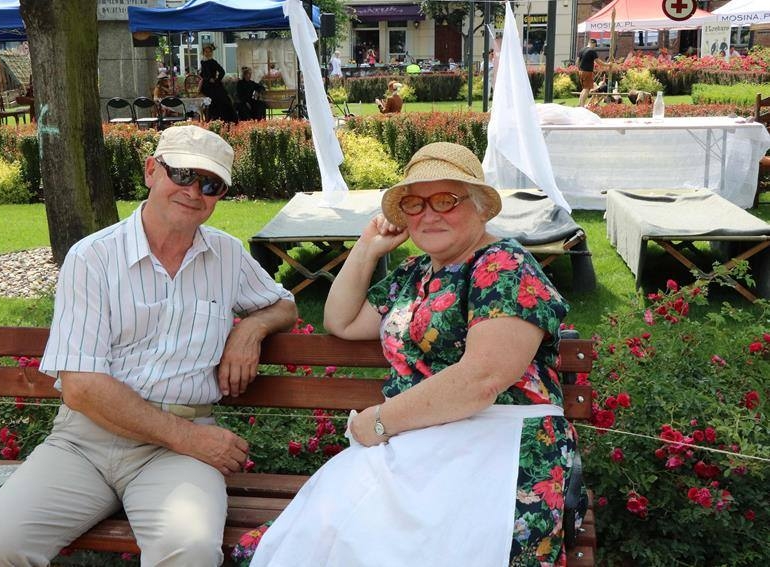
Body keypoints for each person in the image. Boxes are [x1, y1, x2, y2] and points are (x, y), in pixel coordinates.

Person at [0, 126, 298, 567]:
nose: (193, 191)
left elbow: (283, 305)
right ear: (151, 170)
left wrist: (250, 329)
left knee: (189, 549)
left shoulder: (227, 256)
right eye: (182, 174)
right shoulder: (93, 257)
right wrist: (190, 438)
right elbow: (82, 387)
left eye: (210, 184)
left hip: (174, 458)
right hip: (86, 443)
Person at [239, 142, 575, 566]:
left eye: (445, 200)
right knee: (317, 540)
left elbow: (481, 380)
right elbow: (341, 321)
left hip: (495, 444)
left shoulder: (503, 265)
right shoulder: (413, 274)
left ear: (480, 208)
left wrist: (379, 422)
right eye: (414, 204)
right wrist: (367, 247)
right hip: (413, 447)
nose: (429, 215)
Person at [199, 43, 237, 123]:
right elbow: (203, 75)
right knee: (213, 101)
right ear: (203, 52)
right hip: (206, 86)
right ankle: (212, 119)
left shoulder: (213, 62)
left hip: (214, 86)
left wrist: (216, 80)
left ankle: (224, 120)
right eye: (206, 52)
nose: (208, 53)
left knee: (222, 100)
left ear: (212, 52)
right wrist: (206, 78)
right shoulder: (202, 62)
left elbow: (222, 72)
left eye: (209, 52)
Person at [577, 38, 600, 107]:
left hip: (581, 71)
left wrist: (579, 69)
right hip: (587, 72)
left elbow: (577, 61)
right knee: (587, 89)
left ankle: (580, 105)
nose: (595, 47)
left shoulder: (581, 50)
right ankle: (582, 106)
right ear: (594, 43)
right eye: (595, 45)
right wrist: (607, 64)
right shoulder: (592, 51)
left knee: (584, 89)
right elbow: (598, 62)